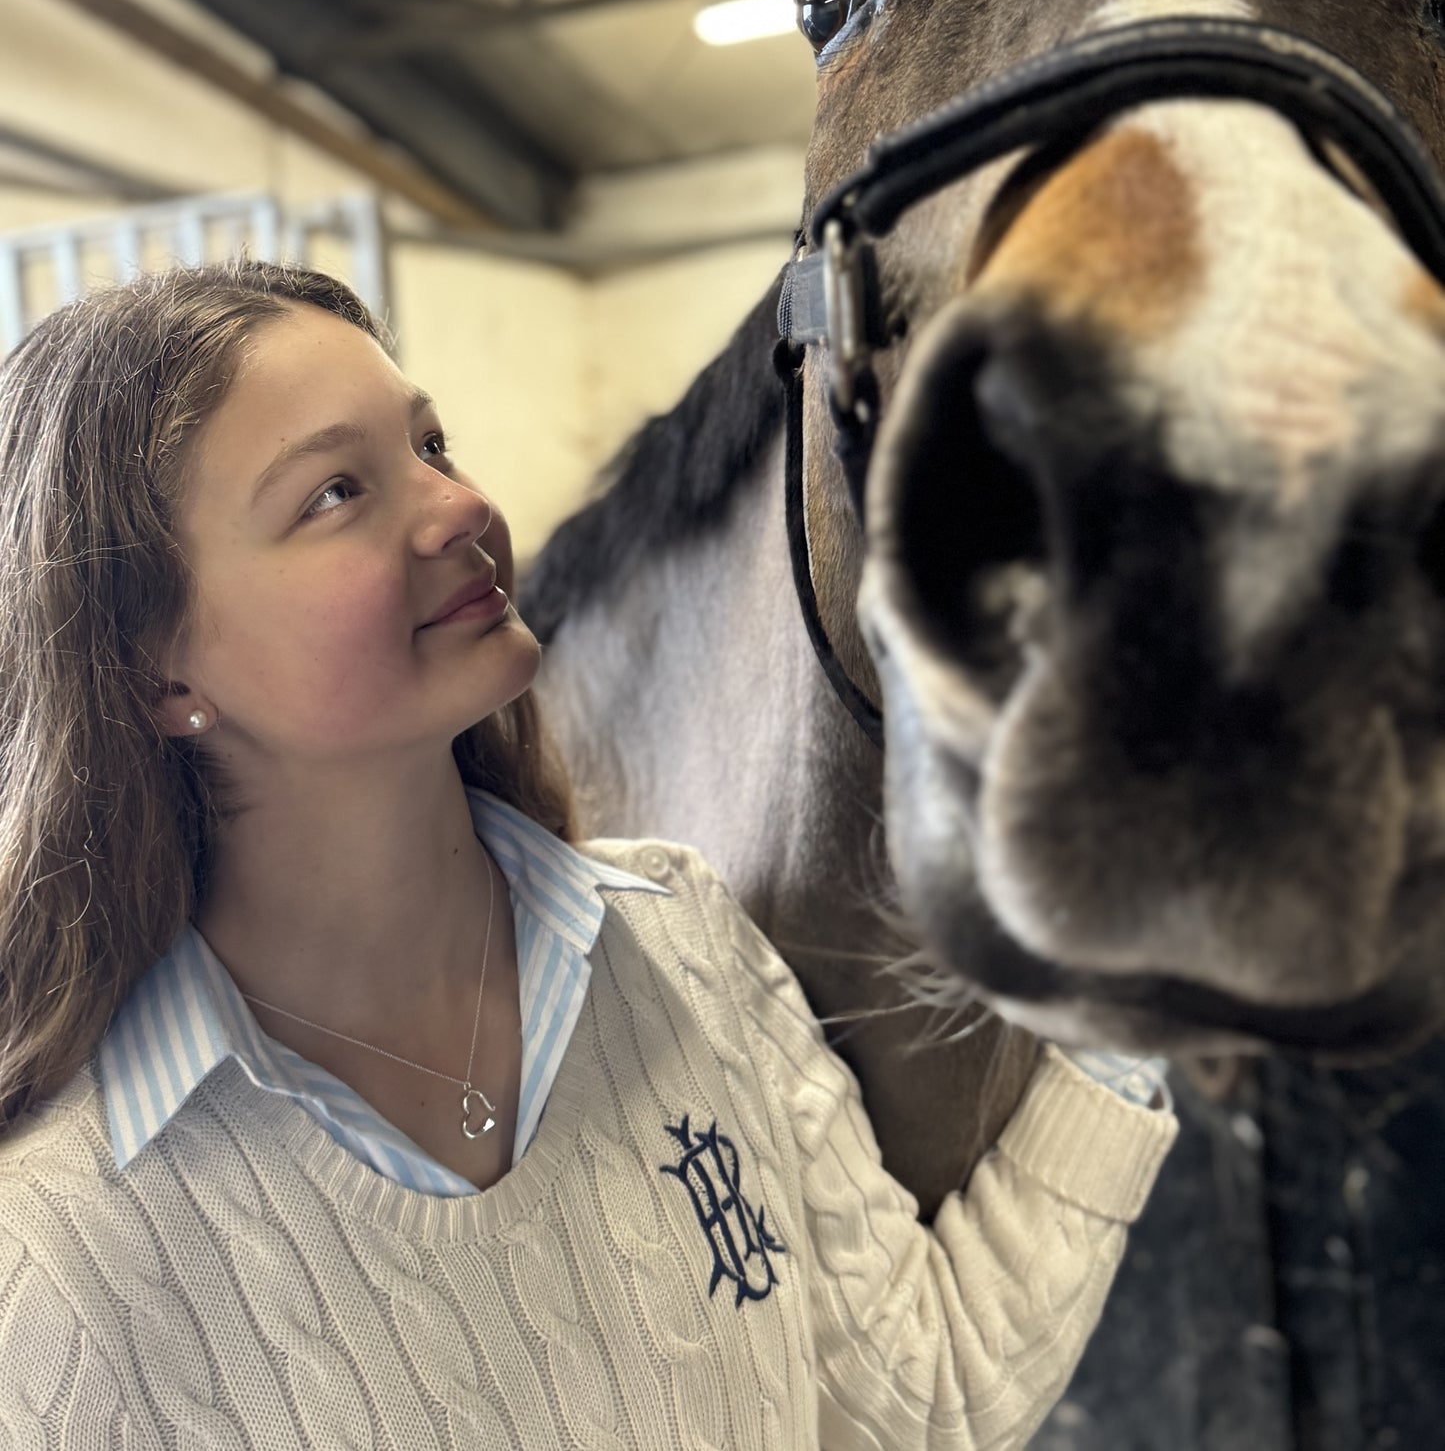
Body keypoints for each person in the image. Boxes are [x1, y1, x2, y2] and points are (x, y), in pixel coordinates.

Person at [0, 261, 1176, 1449]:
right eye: (336, 492)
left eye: (432, 444)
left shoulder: (678, 940)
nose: (460, 506)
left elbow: (918, 1402)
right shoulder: (52, 1264)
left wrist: (1127, 987)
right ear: (157, 670)